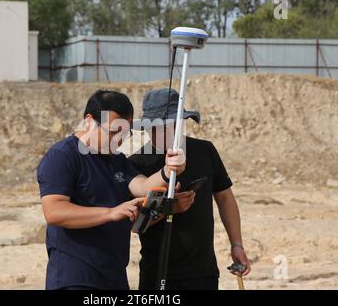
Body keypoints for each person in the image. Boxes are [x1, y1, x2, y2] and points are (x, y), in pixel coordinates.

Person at [36, 90, 186, 290]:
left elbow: (143, 186)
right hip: (75, 276)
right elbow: (55, 212)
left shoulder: (117, 160)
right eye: (113, 132)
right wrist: (111, 212)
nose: (119, 140)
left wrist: (168, 170)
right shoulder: (62, 157)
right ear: (89, 121)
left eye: (125, 134)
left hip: (114, 275)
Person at [128, 88, 251, 290]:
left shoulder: (205, 151)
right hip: (158, 273)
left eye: (175, 124)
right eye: (160, 126)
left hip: (203, 272)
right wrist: (169, 208)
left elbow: (225, 198)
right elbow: (135, 224)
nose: (170, 130)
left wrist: (236, 244)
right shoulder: (137, 164)